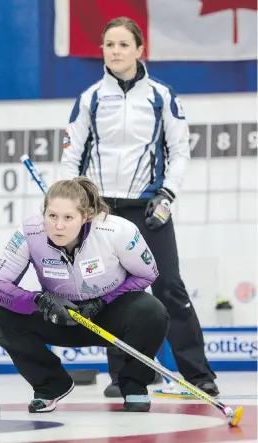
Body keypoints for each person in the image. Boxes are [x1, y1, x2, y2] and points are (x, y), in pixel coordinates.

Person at [60, 16, 219, 397]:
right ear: (102, 50)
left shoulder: (161, 96)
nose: (115, 51)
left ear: (139, 50)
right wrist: (73, 203)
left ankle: (198, 375)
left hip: (151, 209)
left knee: (169, 289)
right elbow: (70, 157)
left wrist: (168, 195)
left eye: (123, 45)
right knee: (112, 295)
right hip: (101, 213)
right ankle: (126, 378)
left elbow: (180, 152)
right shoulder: (90, 99)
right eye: (109, 44)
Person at [0, 176, 169, 413]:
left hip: (108, 315)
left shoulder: (118, 231)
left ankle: (134, 385)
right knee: (0, 317)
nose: (58, 226)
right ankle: (50, 385)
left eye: (68, 218)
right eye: (52, 216)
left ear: (86, 217)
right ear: (44, 212)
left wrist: (102, 301)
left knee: (153, 311)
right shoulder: (29, 233)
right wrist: (40, 301)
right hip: (60, 315)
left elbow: (148, 274)